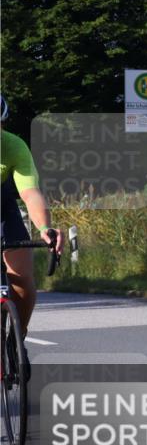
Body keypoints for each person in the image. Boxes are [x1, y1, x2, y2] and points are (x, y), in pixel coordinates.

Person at [1, 94, 64, 378]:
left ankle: (16, 339)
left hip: (2, 209)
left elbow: (30, 193)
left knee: (23, 281)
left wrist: (45, 229)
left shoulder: (12, 145)